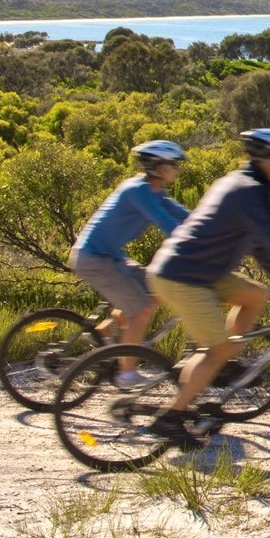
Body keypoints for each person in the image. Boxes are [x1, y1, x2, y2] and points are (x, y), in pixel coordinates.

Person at [145, 128, 270, 447]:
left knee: (254, 294)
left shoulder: (236, 183)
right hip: (184, 275)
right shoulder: (249, 191)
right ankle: (172, 417)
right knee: (217, 350)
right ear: (262, 157)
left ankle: (226, 361)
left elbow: (257, 241)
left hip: (196, 271)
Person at [68, 140, 190, 385]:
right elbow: (168, 224)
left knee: (157, 288)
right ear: (157, 166)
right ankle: (127, 374)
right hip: (94, 258)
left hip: (109, 257)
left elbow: (188, 217)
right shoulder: (138, 190)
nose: (177, 168)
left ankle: (101, 334)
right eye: (173, 163)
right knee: (141, 309)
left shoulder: (156, 192)